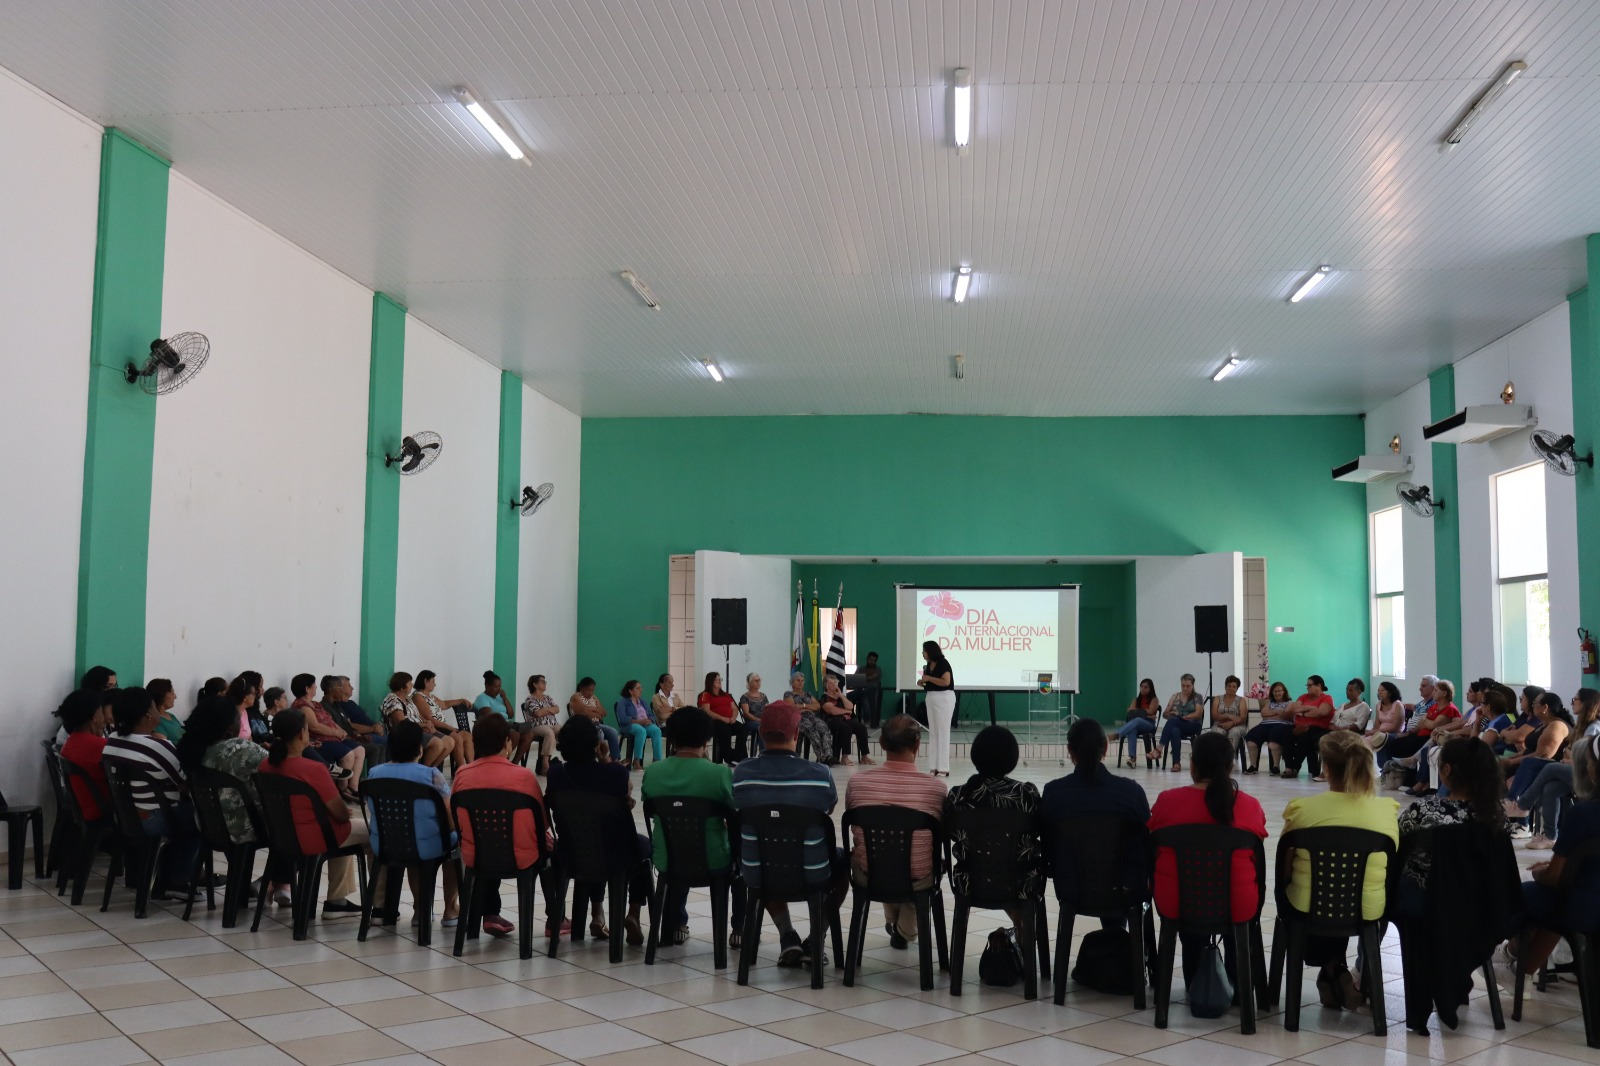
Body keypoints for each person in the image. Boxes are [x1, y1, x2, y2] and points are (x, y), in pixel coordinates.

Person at [1280, 730, 1398, 1009]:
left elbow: (1285, 868)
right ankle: (1336, 971)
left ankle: (1333, 970)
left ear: (1326, 768)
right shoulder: (1386, 811)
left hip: (1307, 906)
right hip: (1367, 908)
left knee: (1311, 887)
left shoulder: (1302, 810)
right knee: (1343, 888)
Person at [732, 701, 846, 967]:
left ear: (760, 733)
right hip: (813, 872)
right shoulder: (820, 775)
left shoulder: (742, 774)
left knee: (767, 852)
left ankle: (787, 936)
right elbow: (828, 807)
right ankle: (815, 937)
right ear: (797, 734)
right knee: (842, 863)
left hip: (758, 872)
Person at [1148, 731, 1267, 985]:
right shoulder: (1250, 806)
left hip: (1177, 902)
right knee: (1232, 894)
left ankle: (1195, 978)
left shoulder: (1168, 802)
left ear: (1192, 765)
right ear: (1231, 766)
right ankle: (1237, 982)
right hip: (1238, 904)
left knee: (1189, 890)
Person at [177, 696, 296, 908]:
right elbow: (280, 766)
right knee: (295, 823)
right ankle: (272, 883)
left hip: (210, 825)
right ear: (228, 725)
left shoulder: (195, 750)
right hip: (244, 827)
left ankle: (274, 885)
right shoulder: (239, 749)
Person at [640, 707, 744, 946]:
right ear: (707, 739)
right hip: (714, 860)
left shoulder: (654, 771)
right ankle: (739, 928)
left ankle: (676, 924)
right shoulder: (718, 773)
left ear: (673, 738)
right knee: (741, 858)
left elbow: (649, 803)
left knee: (680, 841)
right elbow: (735, 811)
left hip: (668, 859)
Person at [546, 715, 652, 945]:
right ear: (596, 744)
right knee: (640, 845)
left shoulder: (555, 775)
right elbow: (625, 789)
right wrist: (605, 759)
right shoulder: (615, 773)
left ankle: (597, 912)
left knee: (591, 840)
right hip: (616, 855)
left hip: (570, 852)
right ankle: (633, 912)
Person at [845, 715, 948, 947]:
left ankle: (896, 923)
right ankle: (903, 928)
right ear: (917, 745)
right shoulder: (936, 789)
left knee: (881, 849)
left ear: (880, 743)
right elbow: (942, 833)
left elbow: (855, 828)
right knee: (914, 858)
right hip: (918, 877)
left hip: (869, 873)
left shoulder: (857, 783)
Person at [255, 708, 367, 918]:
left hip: (281, 837)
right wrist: (341, 813)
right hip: (315, 837)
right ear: (301, 733)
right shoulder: (314, 769)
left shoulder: (265, 766)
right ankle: (376, 906)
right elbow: (342, 815)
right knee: (374, 833)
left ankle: (338, 901)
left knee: (348, 834)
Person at [1040, 717, 1151, 925]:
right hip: (1124, 888)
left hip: (1071, 889)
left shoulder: (1054, 793)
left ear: (1070, 751)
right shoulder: (1131, 792)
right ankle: (1121, 939)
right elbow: (1146, 844)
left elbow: (1048, 846)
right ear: (1106, 747)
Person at [103, 686, 205, 902]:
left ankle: (167, 879)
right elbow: (186, 784)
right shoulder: (156, 747)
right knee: (200, 820)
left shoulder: (112, 741)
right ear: (148, 715)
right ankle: (176, 882)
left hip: (126, 818)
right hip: (155, 819)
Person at [1511, 734, 1600, 975]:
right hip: (1585, 897)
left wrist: (1542, 872)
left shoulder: (1584, 814)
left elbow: (1554, 878)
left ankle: (1517, 961)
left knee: (1525, 896)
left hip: (1584, 908)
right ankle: (1524, 966)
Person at [452, 712, 546, 938]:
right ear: (507, 742)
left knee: (489, 837)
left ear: (474, 743)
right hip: (522, 857)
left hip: (477, 855)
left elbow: (457, 821)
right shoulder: (524, 776)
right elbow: (542, 822)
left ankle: (489, 913)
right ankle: (556, 917)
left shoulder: (462, 775)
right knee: (545, 849)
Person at [366, 719, 460, 928]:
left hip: (387, 844)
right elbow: (449, 814)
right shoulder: (431, 775)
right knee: (454, 844)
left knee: (412, 843)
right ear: (419, 748)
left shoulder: (374, 773)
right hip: (426, 845)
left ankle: (420, 909)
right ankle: (451, 910)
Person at [946, 726, 1040, 928]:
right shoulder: (1027, 795)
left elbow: (951, 833)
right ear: (1012, 759)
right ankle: (1024, 933)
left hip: (970, 882)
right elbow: (1038, 832)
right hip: (1021, 883)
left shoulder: (958, 796)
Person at [1513, 688, 1600, 849]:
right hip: (1577, 770)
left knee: (1550, 768)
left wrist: (1570, 758)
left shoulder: (1594, 727)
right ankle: (1550, 836)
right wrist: (1570, 756)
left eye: (1575, 700)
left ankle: (1522, 805)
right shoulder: (1583, 725)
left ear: (1586, 703)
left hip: (1590, 775)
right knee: (1550, 788)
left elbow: (1585, 757)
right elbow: (1571, 752)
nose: (1572, 703)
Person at [1504, 691, 1576, 818]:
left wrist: (1512, 761)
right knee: (1497, 767)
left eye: (1535, 703)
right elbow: (1530, 749)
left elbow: (1543, 755)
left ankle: (1512, 802)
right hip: (1534, 763)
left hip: (1549, 766)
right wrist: (1511, 758)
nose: (1533, 706)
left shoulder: (1557, 725)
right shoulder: (1542, 724)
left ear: (1545, 707)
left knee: (1525, 765)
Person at [290, 673, 363, 793]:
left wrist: (341, 730)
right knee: (349, 755)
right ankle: (342, 789)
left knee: (360, 750)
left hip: (332, 738)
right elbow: (315, 727)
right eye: (313, 685)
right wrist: (336, 733)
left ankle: (353, 787)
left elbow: (329, 720)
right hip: (320, 741)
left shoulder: (315, 704)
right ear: (307, 688)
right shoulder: (303, 706)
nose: (316, 688)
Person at [59, 688, 113, 823]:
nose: (104, 719)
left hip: (85, 809)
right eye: (101, 712)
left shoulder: (71, 741)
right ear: (94, 716)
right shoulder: (100, 746)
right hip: (103, 812)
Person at [381, 672, 451, 768]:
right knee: (437, 744)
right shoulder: (392, 700)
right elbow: (402, 723)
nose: (412, 685)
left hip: (417, 729)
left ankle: (430, 769)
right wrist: (423, 726)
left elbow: (418, 715)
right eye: (410, 683)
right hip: (405, 733)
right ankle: (422, 770)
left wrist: (427, 722)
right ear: (402, 687)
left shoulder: (407, 698)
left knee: (449, 742)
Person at [410, 670, 475, 767]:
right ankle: (461, 769)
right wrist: (450, 728)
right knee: (457, 737)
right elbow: (430, 719)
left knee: (467, 735)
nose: (435, 684)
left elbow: (444, 704)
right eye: (433, 681)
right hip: (434, 726)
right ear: (425, 681)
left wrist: (461, 700)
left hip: (441, 725)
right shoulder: (418, 697)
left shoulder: (430, 696)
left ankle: (471, 766)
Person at [1281, 675, 1336, 780]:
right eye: (1307, 685)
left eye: (1310, 685)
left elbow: (1321, 712)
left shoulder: (1326, 698)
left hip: (1318, 727)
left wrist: (1303, 713)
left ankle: (1294, 767)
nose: (1307, 687)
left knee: (1305, 736)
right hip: (1299, 725)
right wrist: (1309, 708)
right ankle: (1289, 766)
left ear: (1318, 686)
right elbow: (1294, 709)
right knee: (1285, 732)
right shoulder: (1303, 697)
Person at [474, 670, 532, 765]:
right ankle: (503, 762)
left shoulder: (499, 697)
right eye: (496, 687)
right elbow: (489, 717)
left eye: (500, 687)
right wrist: (504, 723)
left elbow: (510, 714)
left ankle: (514, 763)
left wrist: (505, 699)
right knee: (515, 734)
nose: (499, 690)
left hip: (505, 724)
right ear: (487, 686)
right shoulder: (482, 698)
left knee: (528, 734)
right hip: (492, 727)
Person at [918, 640, 955, 778]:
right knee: (933, 732)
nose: (923, 653)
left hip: (944, 699)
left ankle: (944, 768)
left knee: (943, 732)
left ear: (931, 651)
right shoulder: (929, 665)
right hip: (931, 698)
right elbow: (931, 682)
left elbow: (946, 682)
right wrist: (923, 682)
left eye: (924, 651)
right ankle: (933, 766)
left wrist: (929, 678)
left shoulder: (943, 663)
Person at [1155, 673, 1206, 773]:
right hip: (1178, 724)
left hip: (1193, 724)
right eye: (1183, 686)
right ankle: (1176, 763)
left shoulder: (1197, 697)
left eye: (1188, 686)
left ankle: (1159, 748)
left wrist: (1184, 717)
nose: (1185, 688)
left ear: (1193, 685)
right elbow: (1165, 714)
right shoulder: (1175, 696)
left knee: (1174, 721)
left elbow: (1198, 714)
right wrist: (1170, 714)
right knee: (1174, 730)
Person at [1244, 680, 1296, 774]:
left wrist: (1272, 713)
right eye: (1275, 691)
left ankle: (1275, 766)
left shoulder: (1290, 703)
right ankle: (1253, 766)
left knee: (1273, 742)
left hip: (1282, 725)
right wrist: (1278, 712)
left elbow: (1286, 715)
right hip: (1265, 724)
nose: (1277, 693)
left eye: (1279, 691)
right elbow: (1264, 713)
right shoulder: (1270, 702)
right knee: (1251, 739)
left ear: (1284, 692)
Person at [820, 674, 872, 766]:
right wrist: (846, 711)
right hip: (831, 720)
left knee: (861, 728)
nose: (834, 685)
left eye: (835, 683)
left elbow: (850, 706)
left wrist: (841, 695)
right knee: (846, 728)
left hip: (844, 719)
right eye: (831, 683)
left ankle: (864, 756)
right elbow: (832, 711)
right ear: (826, 685)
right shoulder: (824, 697)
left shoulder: (840, 696)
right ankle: (845, 757)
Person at [614, 680, 664, 769]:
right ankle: (637, 760)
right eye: (638, 688)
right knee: (641, 731)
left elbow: (651, 715)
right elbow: (622, 719)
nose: (641, 690)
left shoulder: (642, 701)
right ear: (630, 691)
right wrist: (638, 721)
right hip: (629, 725)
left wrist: (650, 720)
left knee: (656, 730)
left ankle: (657, 760)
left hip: (645, 724)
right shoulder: (623, 702)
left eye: (641, 688)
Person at [786, 672, 833, 764]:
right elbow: (792, 707)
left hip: (812, 717)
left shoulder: (808, 694)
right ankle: (822, 758)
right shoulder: (788, 694)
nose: (800, 682)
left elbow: (818, 706)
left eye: (802, 681)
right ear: (792, 682)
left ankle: (829, 755)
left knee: (824, 728)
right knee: (812, 731)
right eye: (798, 680)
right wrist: (809, 706)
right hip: (799, 718)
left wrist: (802, 706)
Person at [570, 678, 621, 762]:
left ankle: (615, 759)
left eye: (592, 690)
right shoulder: (576, 697)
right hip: (583, 725)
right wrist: (597, 712)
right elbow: (584, 712)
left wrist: (593, 710)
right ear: (582, 688)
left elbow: (604, 713)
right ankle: (601, 759)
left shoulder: (594, 697)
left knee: (613, 732)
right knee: (600, 734)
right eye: (588, 690)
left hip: (597, 724)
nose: (591, 693)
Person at [1115, 678, 1162, 768]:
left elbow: (1151, 711)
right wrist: (1146, 714)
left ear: (1150, 689)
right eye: (1141, 687)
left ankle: (1117, 734)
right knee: (1132, 729)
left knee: (1137, 720)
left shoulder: (1154, 700)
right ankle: (1132, 759)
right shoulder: (1135, 700)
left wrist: (1138, 711)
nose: (1143, 689)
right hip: (1137, 723)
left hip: (1149, 725)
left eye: (1146, 687)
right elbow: (1131, 713)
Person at [517, 674, 560, 774]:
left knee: (564, 730)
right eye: (542, 681)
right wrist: (550, 710)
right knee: (549, 732)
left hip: (553, 724)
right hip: (536, 726)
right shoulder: (530, 699)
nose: (545, 683)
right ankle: (545, 764)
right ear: (535, 685)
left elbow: (557, 709)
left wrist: (544, 710)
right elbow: (537, 713)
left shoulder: (548, 698)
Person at [697, 672, 742, 764]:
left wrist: (733, 717)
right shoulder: (705, 694)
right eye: (716, 680)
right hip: (713, 721)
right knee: (725, 729)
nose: (719, 682)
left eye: (719, 679)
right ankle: (728, 756)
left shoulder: (725, 694)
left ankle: (740, 756)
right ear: (710, 682)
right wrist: (723, 718)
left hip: (729, 720)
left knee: (742, 729)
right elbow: (707, 711)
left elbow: (734, 708)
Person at [1208, 675, 1250, 757]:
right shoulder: (1217, 699)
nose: (1231, 688)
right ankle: (1218, 758)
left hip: (1238, 725)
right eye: (1229, 686)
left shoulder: (1241, 700)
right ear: (1225, 686)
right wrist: (1228, 716)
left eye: (1234, 686)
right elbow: (1215, 715)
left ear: (1237, 688)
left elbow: (1242, 718)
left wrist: (1232, 723)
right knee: (1217, 732)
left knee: (1234, 732)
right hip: (1219, 724)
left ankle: (1229, 759)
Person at [846, 651, 885, 728]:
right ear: (867, 659)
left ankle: (867, 720)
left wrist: (863, 676)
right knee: (847, 697)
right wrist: (865, 677)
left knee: (865, 697)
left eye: (874, 661)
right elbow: (855, 678)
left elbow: (872, 677)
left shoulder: (878, 669)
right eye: (870, 660)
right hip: (859, 690)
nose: (872, 662)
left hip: (872, 692)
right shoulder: (861, 668)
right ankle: (851, 717)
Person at [1364, 682, 1406, 750]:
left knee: (1367, 743)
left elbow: (1396, 728)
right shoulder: (1378, 705)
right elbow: (1377, 725)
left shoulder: (1398, 705)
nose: (1380, 692)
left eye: (1383, 690)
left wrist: (1376, 732)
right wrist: (1372, 732)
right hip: (1379, 733)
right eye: (1378, 690)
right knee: (1360, 741)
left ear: (1390, 692)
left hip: (1393, 734)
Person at [737, 673, 768, 756]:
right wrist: (758, 720)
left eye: (759, 680)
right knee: (761, 725)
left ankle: (774, 752)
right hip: (750, 723)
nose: (758, 682)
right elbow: (746, 714)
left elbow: (768, 709)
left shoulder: (763, 696)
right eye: (756, 680)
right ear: (749, 683)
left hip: (762, 722)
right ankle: (763, 752)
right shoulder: (744, 697)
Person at [146, 678, 183, 743]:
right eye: (172, 692)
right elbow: (164, 745)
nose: (175, 696)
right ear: (161, 694)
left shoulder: (171, 716)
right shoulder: (155, 720)